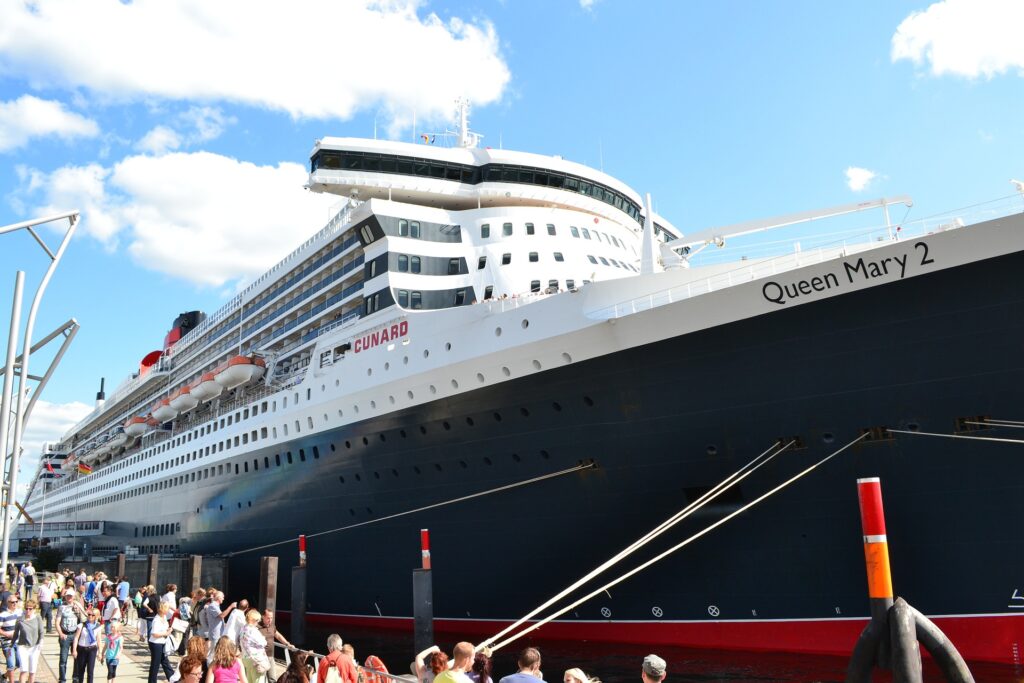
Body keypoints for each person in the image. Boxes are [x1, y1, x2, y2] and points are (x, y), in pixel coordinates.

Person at [256, 610, 292, 683]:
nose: (270, 620)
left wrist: (287, 643)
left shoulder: (272, 626)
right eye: (268, 618)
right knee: (260, 679)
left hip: (270, 657)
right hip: (260, 658)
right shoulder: (257, 627)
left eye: (271, 618)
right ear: (263, 617)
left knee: (272, 679)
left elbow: (278, 636)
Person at [57, 589, 83, 683]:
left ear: (73, 597)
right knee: (63, 659)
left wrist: (78, 611)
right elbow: (57, 622)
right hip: (65, 634)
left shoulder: (77, 606)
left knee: (76, 657)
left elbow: (83, 619)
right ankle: (62, 679)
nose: (69, 598)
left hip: (75, 634)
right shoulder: (61, 607)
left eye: (71, 596)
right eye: (68, 596)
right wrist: (60, 633)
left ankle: (75, 678)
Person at [13, 600, 42, 683]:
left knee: (32, 671)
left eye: (30, 609)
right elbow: (15, 634)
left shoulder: (37, 618)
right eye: (26, 608)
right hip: (22, 646)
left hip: (35, 647)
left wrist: (41, 641)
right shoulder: (20, 620)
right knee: (24, 669)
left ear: (34, 609)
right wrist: (11, 646)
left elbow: (41, 632)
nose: (28, 610)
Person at [72, 608, 103, 683]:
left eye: (93, 615)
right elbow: (76, 638)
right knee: (81, 671)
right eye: (89, 614)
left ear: (96, 616)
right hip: (82, 649)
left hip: (92, 649)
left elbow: (99, 640)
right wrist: (74, 650)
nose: (90, 616)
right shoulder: (82, 625)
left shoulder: (98, 627)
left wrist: (100, 653)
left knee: (90, 671)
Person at [238, 610, 270, 683]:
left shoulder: (243, 628)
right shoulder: (253, 630)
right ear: (254, 620)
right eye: (257, 620)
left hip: (246, 658)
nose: (258, 622)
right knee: (258, 680)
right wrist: (263, 638)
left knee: (249, 680)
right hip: (256, 660)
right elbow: (263, 643)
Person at [148, 602, 175, 683]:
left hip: (161, 642)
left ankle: (173, 678)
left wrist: (169, 630)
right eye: (167, 608)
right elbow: (154, 633)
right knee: (155, 664)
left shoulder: (163, 617)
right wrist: (165, 633)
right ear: (163, 609)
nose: (168, 610)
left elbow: (163, 630)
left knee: (164, 661)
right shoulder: (156, 620)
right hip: (156, 643)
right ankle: (152, 681)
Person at [0, 595, 21, 683]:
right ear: (7, 603)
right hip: (7, 643)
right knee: (11, 665)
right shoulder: (3, 615)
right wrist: (6, 634)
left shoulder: (20, 612)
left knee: (19, 663)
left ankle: (4, 676)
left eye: (16, 601)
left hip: (19, 642)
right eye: (12, 602)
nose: (15, 604)